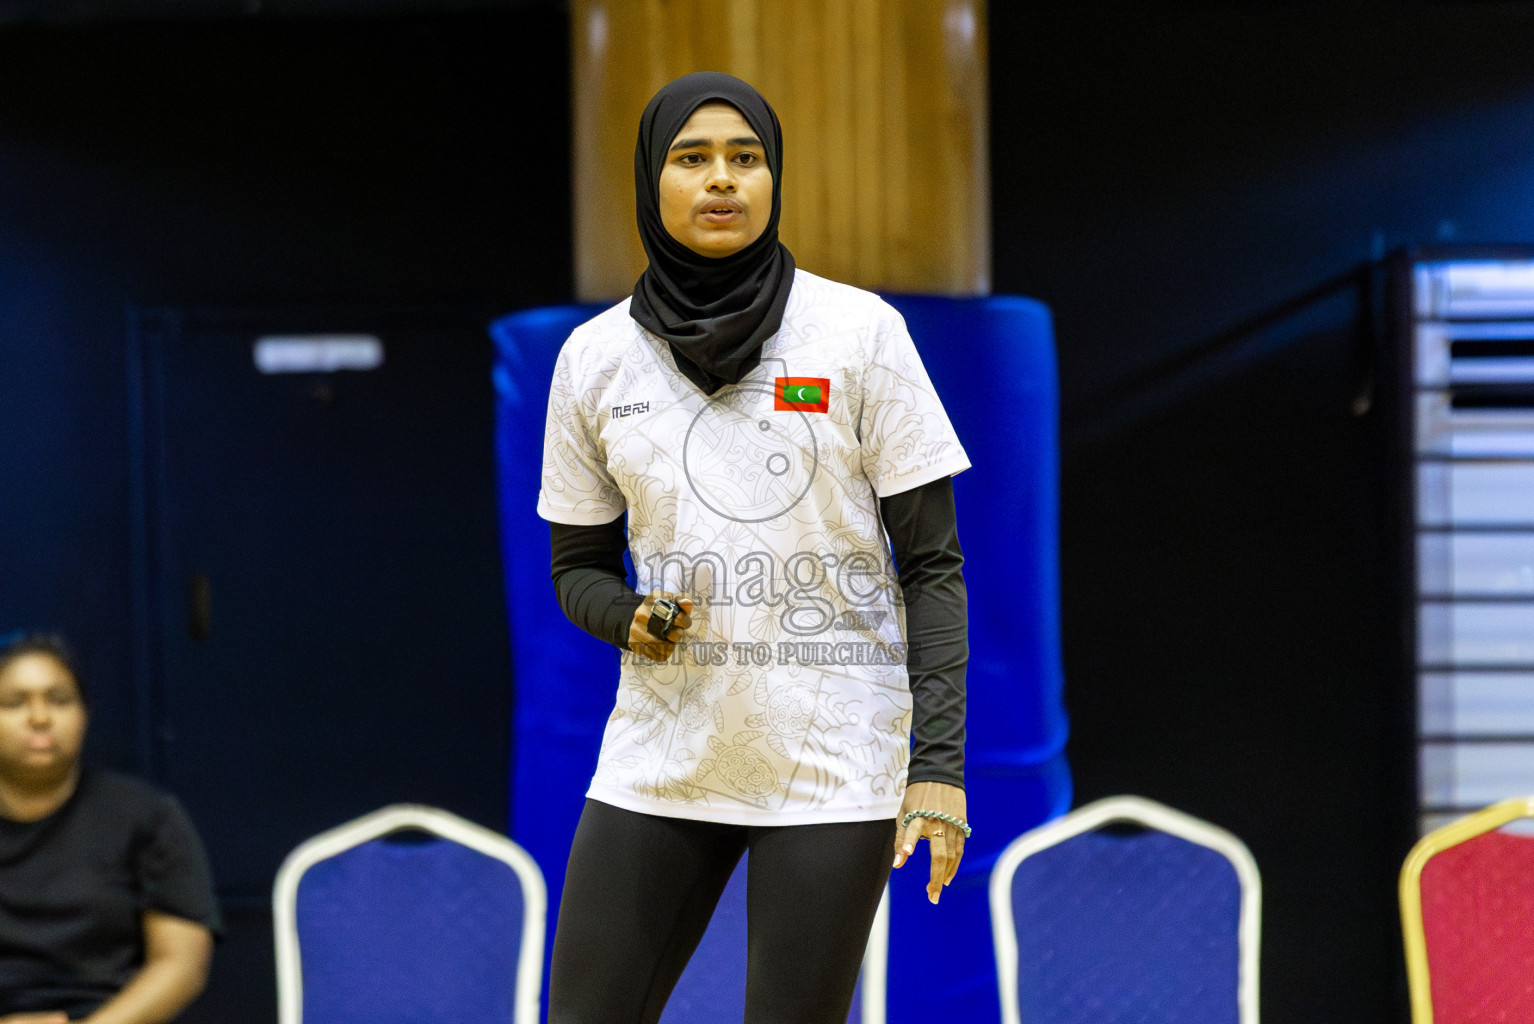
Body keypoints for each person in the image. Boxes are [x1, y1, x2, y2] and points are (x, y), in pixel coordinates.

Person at [538, 71, 971, 1024]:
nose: (722, 180)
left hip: (832, 760)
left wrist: (935, 767)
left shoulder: (860, 334)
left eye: (747, 158)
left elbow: (933, 567)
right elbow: (577, 569)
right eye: (692, 159)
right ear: (652, 181)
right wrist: (630, 617)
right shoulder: (594, 358)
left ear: (775, 180)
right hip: (662, 754)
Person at [0, 633, 220, 1024]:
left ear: (84, 714)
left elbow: (181, 966)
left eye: (59, 700)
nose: (39, 717)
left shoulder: (146, 816)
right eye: (15, 703)